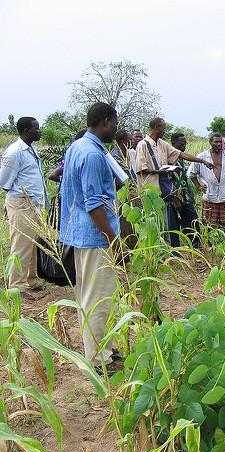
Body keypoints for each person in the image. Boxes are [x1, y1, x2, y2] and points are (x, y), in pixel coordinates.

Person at [59, 102, 123, 370]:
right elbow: (94, 203)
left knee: (96, 295)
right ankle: (98, 359)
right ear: (106, 122)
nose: (117, 128)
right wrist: (113, 238)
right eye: (116, 123)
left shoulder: (78, 147)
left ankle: (104, 348)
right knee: (98, 298)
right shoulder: (93, 155)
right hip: (97, 237)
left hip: (83, 236)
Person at [135, 118, 213, 247]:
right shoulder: (142, 145)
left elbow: (180, 154)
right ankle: (155, 251)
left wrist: (202, 161)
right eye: (163, 128)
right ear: (155, 128)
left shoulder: (162, 144)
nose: (164, 131)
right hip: (150, 192)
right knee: (154, 223)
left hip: (163, 191)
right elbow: (141, 169)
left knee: (166, 222)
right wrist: (159, 172)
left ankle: (169, 250)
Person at [0, 117, 47, 297]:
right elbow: (4, 181)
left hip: (33, 203)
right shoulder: (15, 151)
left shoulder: (30, 150)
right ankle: (16, 288)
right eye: (36, 128)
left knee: (32, 243)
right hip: (21, 202)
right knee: (20, 244)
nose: (40, 131)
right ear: (27, 131)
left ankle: (31, 280)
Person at [188, 132, 225, 230]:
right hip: (210, 196)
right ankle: (210, 245)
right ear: (210, 142)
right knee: (209, 227)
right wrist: (198, 186)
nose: (218, 144)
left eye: (220, 142)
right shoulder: (202, 157)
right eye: (216, 142)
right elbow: (191, 174)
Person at [169, 132, 201, 247]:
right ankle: (176, 251)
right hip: (174, 198)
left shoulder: (181, 158)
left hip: (185, 196)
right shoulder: (168, 159)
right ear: (174, 143)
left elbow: (183, 178)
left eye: (185, 144)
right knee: (175, 227)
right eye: (181, 144)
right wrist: (174, 200)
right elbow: (168, 181)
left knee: (193, 222)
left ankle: (197, 248)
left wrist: (190, 192)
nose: (184, 146)